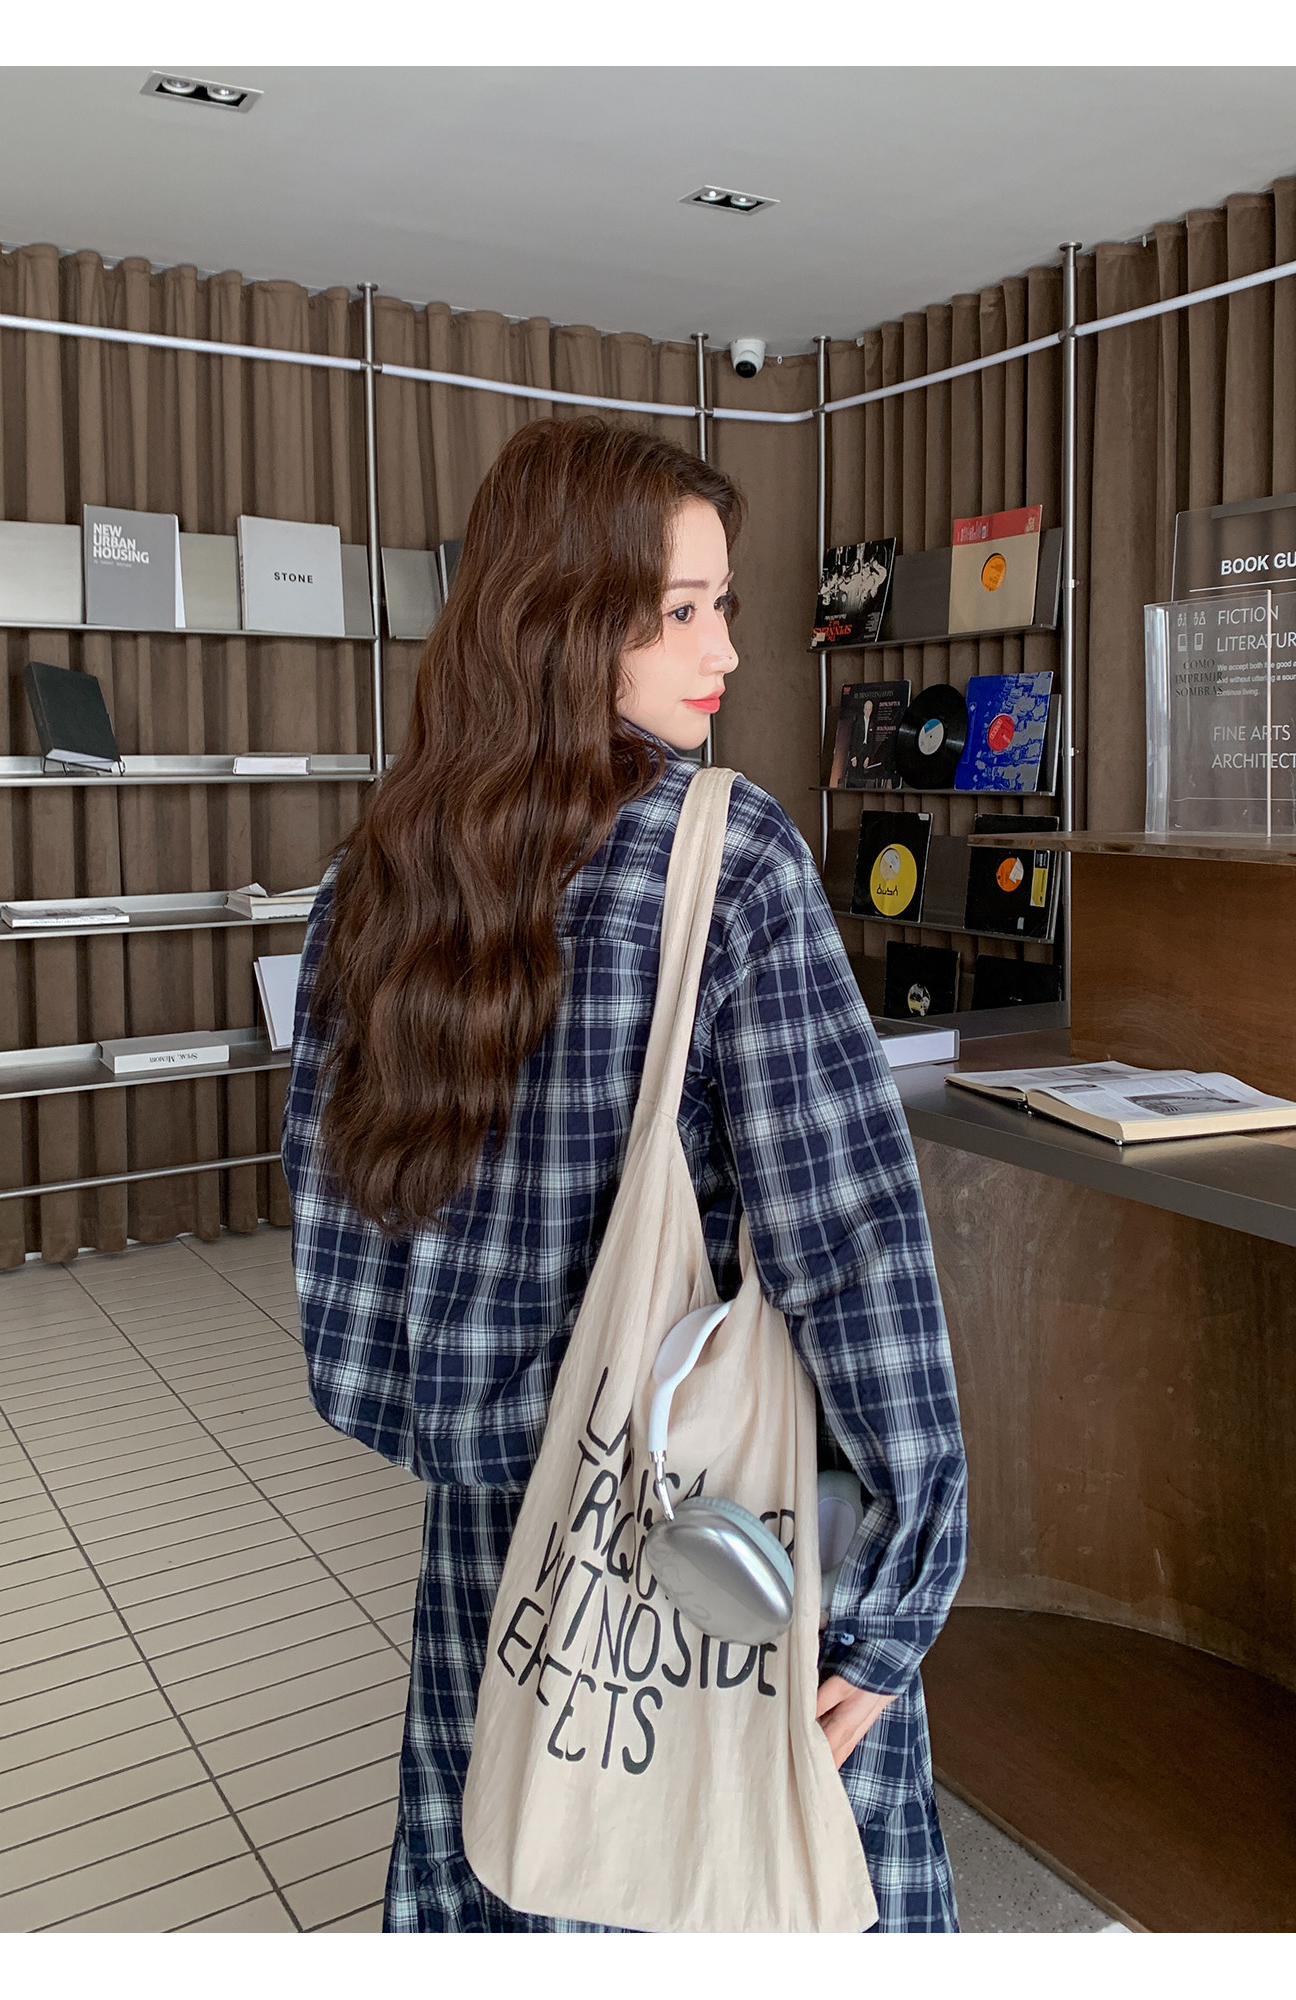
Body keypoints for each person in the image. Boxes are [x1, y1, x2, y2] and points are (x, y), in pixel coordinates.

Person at [282, 415, 968, 1933]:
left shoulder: (376, 879)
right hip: (713, 1521)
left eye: (723, 604)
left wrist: (483, 1424)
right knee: (745, 1874)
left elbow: (346, 1276)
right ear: (562, 618)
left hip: (498, 1543)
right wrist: (904, 1581)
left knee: (522, 1848)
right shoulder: (730, 860)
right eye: (679, 611)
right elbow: (850, 1245)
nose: (725, 649)